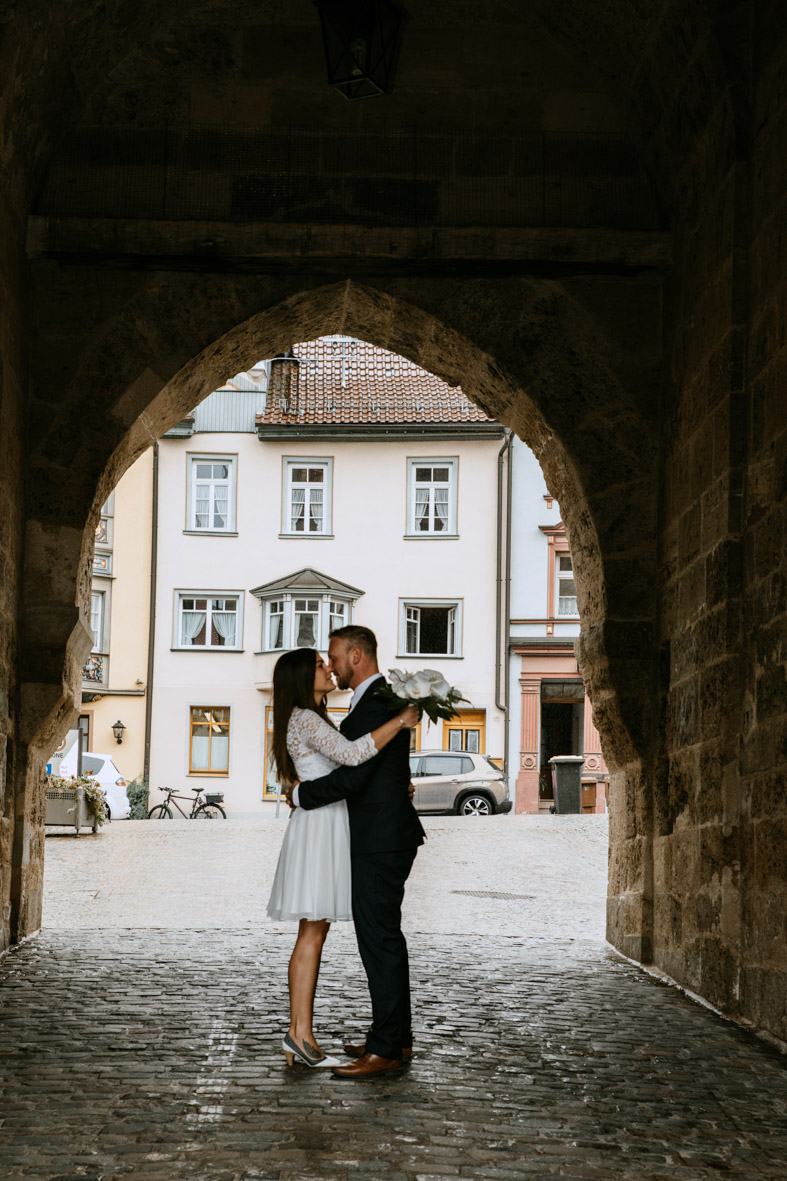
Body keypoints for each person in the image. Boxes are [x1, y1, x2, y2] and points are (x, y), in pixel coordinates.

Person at [267, 645, 419, 1069]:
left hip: (326, 826)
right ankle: (299, 1033)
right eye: (319, 665)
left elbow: (350, 771)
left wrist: (394, 788)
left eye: (329, 659)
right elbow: (353, 758)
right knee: (312, 932)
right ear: (302, 678)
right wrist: (401, 721)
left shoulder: (314, 719)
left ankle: (303, 1032)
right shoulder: (305, 718)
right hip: (318, 830)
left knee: (315, 931)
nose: (328, 668)